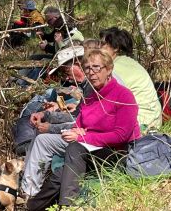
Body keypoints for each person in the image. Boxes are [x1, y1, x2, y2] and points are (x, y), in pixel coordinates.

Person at [27, 49, 141, 210]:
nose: (91, 72)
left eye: (96, 67)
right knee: (60, 174)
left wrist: (83, 137)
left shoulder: (124, 95)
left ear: (108, 69)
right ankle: (31, 207)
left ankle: (68, 206)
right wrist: (78, 131)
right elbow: (79, 123)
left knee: (75, 148)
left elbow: (121, 135)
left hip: (118, 153)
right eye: (87, 68)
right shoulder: (91, 95)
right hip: (93, 149)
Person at [21, 46, 93, 197]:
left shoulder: (94, 87)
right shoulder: (87, 87)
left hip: (91, 139)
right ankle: (27, 179)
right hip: (83, 133)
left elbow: (82, 124)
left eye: (66, 72)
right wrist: (46, 115)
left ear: (78, 65)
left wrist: (51, 128)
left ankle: (30, 192)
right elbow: (76, 116)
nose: (66, 78)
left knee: (43, 141)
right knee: (38, 131)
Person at [99, 27, 162, 131]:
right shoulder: (128, 62)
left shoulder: (115, 68)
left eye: (102, 44)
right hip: (153, 119)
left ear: (115, 48)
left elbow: (108, 104)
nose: (98, 48)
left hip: (142, 123)